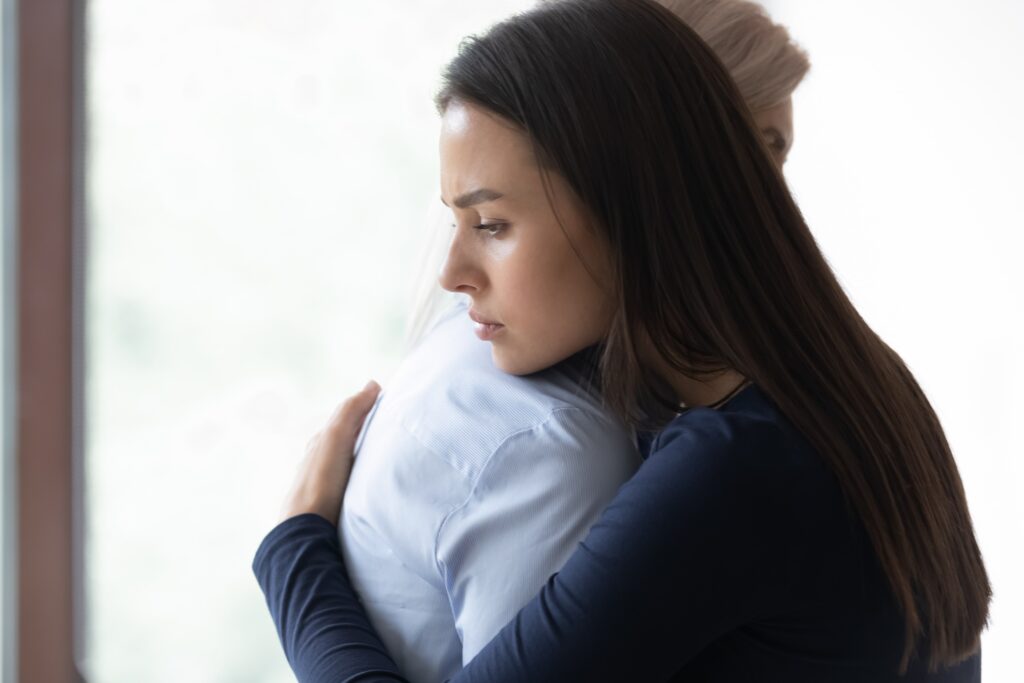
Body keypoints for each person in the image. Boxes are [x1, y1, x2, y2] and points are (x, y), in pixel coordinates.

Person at [254, 0, 991, 681]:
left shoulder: (730, 476)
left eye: (492, 224)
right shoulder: (853, 378)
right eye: (454, 221)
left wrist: (294, 552)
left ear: (630, 208)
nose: (452, 272)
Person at [336, 2, 809, 681]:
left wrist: (296, 565)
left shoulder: (707, 444)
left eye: (774, 153)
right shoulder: (555, 440)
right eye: (743, 151)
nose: (761, 200)